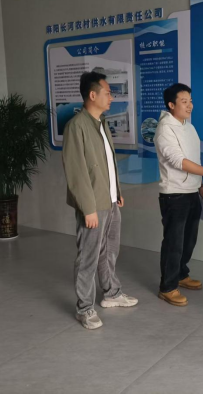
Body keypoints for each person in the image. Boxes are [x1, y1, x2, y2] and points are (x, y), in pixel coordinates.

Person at [63, 71, 138, 330]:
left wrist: (117, 192)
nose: (111, 97)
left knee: (109, 252)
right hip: (93, 205)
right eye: (107, 92)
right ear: (92, 95)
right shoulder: (76, 126)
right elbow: (77, 173)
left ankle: (111, 293)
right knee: (89, 256)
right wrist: (88, 209)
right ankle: (84, 308)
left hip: (110, 200)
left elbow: (106, 163)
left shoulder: (102, 123)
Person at [154, 83, 203, 307]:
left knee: (189, 240)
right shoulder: (165, 129)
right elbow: (179, 161)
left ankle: (181, 274)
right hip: (174, 195)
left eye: (191, 101)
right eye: (184, 101)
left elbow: (194, 158)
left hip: (192, 192)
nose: (190, 106)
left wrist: (200, 184)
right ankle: (167, 287)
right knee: (174, 243)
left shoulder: (189, 126)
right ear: (171, 105)